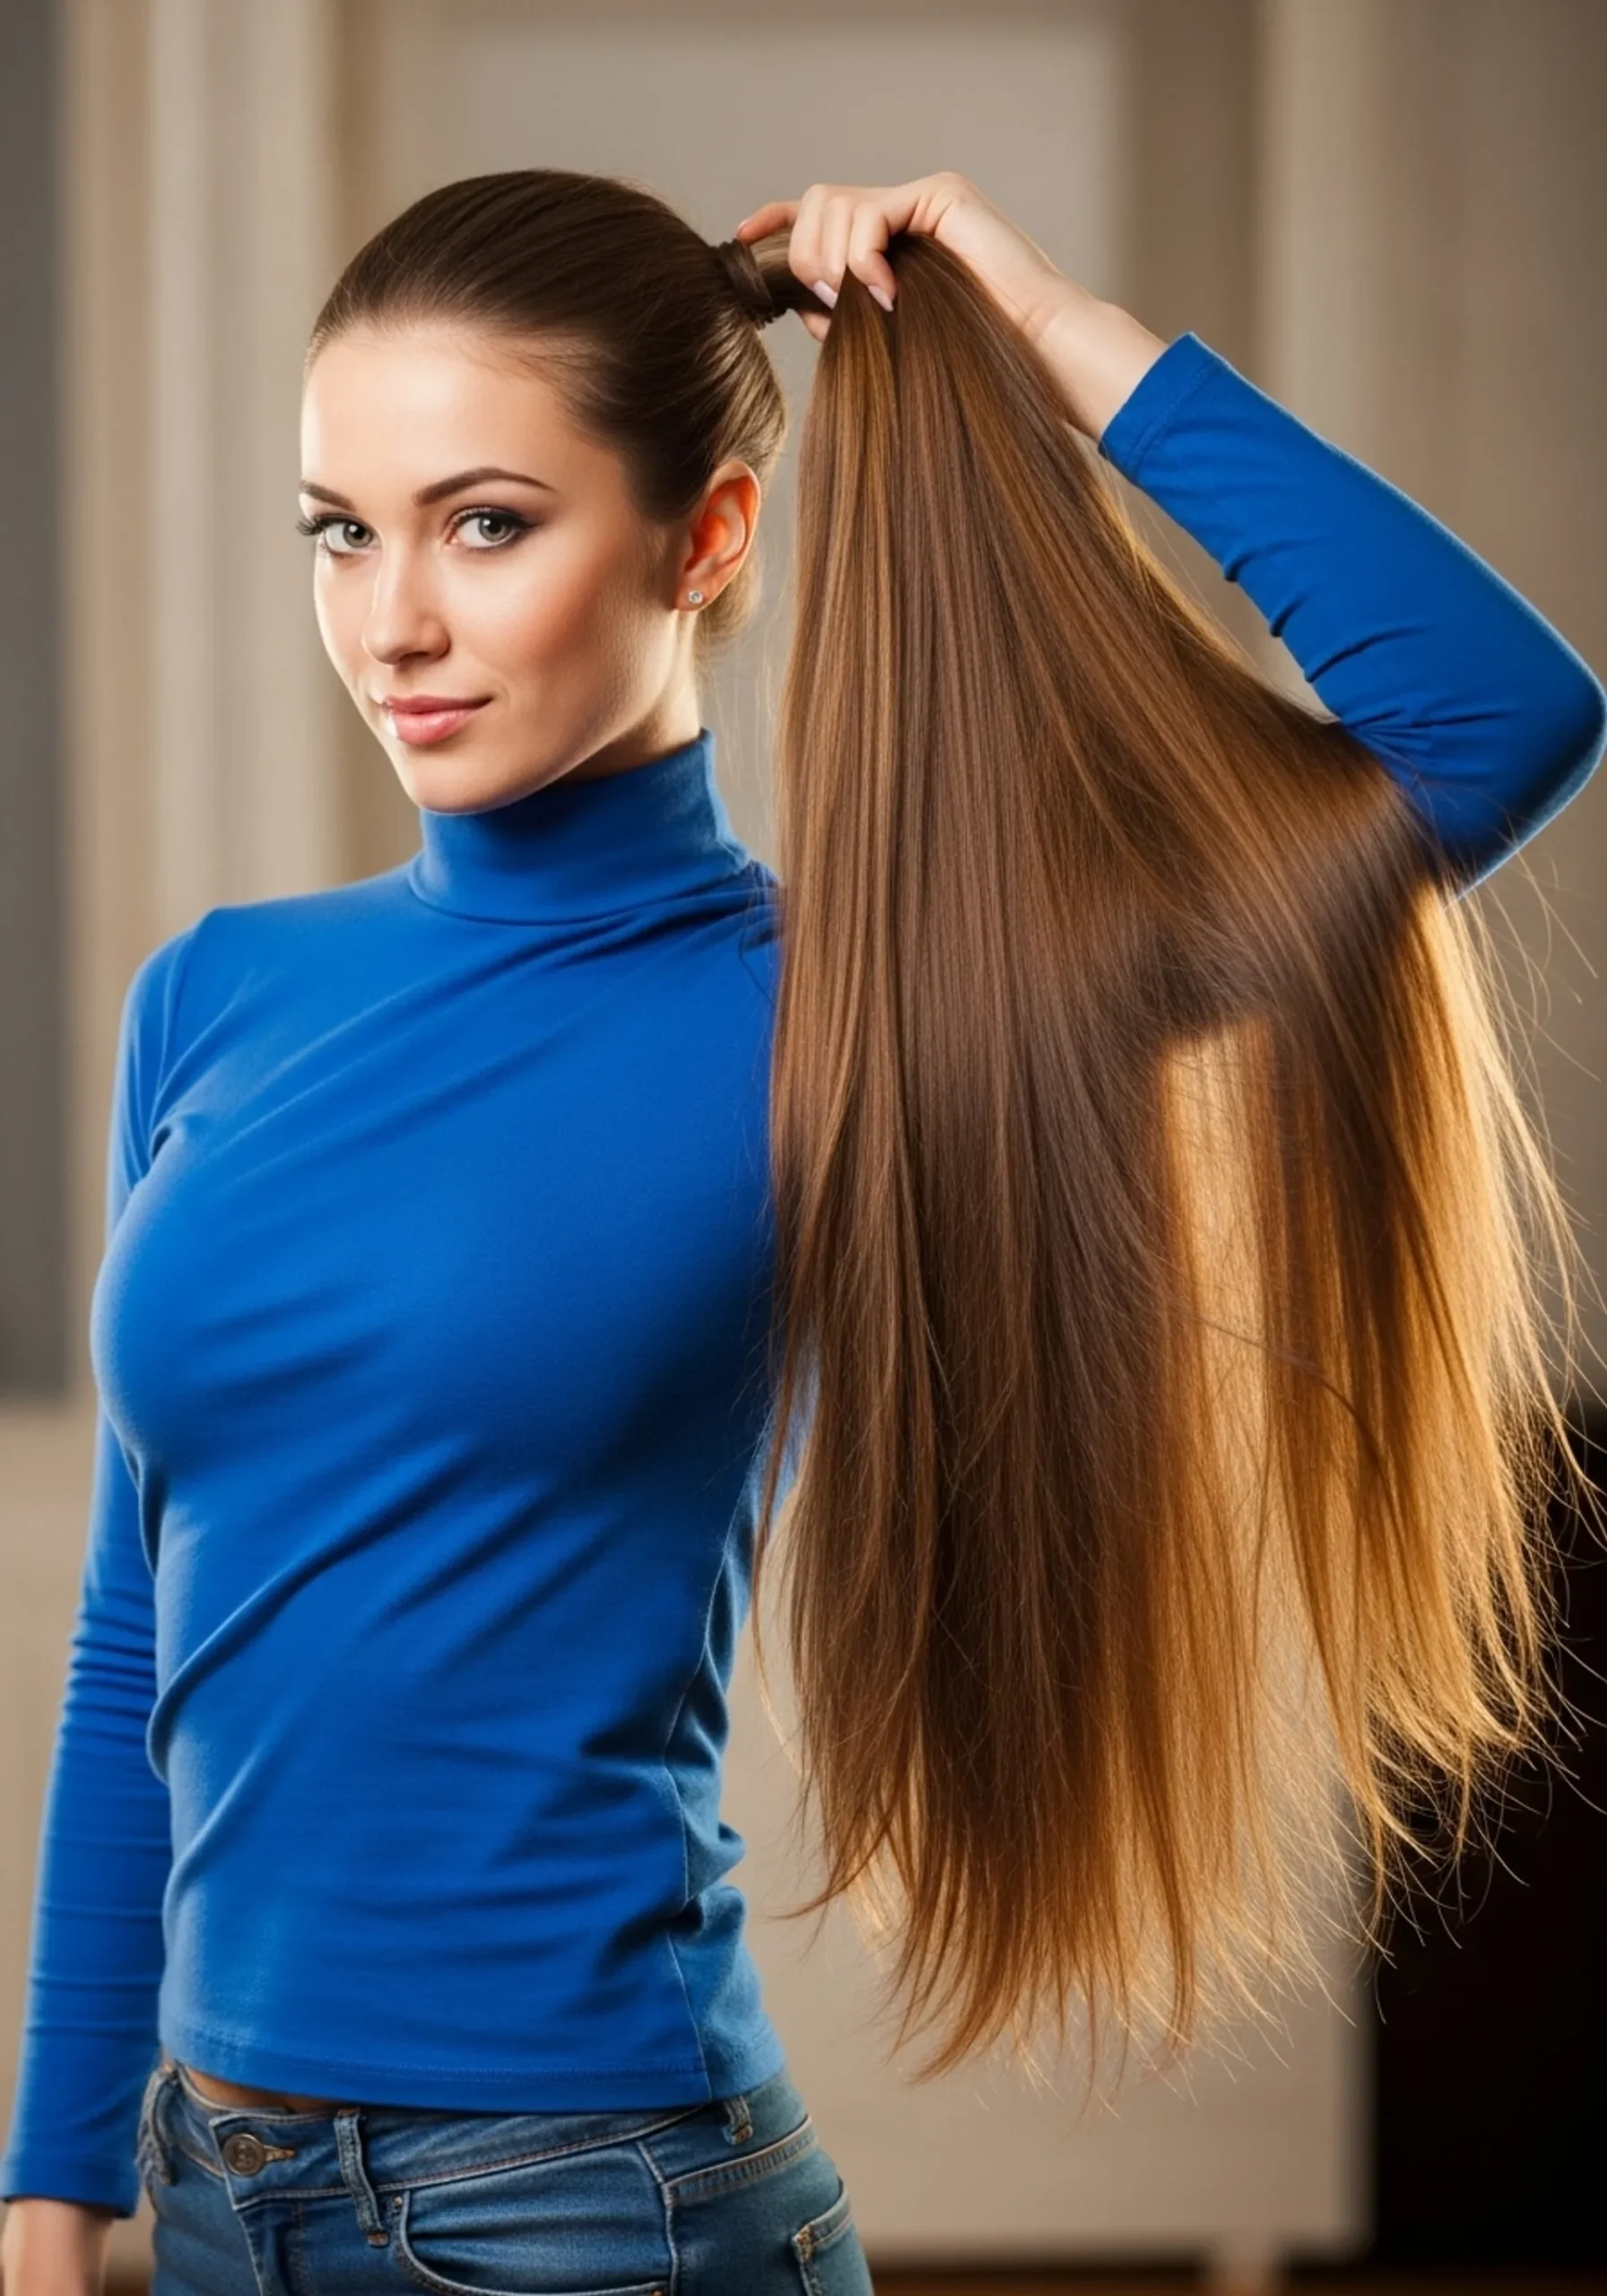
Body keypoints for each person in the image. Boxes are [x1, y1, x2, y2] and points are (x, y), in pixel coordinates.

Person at [2, 166, 1603, 2296]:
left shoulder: (850, 1016)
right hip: (217, 2190)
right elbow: (141, 1621)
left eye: (485, 524)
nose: (389, 623)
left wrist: (1047, 329)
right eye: (340, 530)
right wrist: (53, 2187)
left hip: (591, 2210)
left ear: (707, 538)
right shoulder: (213, 994)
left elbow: (1491, 719)